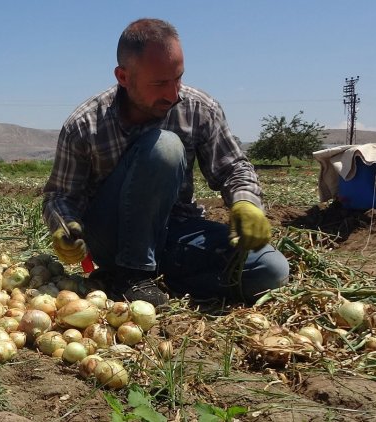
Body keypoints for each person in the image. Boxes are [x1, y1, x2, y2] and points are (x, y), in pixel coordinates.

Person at [42, 18, 289, 307]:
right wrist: (63, 226)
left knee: (270, 271)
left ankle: (139, 279)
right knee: (166, 147)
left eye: (178, 78)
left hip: (176, 230)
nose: (174, 95)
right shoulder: (85, 125)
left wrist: (245, 202)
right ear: (123, 77)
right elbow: (59, 196)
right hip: (112, 236)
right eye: (159, 83)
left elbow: (233, 167)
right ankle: (132, 274)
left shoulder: (199, 108)